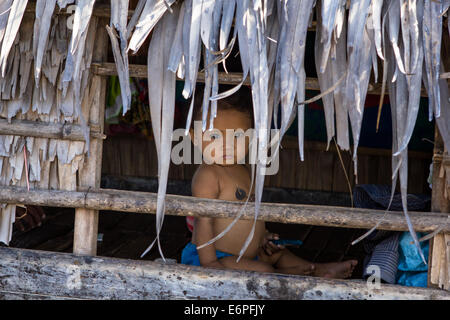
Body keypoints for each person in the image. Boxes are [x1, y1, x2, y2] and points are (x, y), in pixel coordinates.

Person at [181, 88, 357, 278]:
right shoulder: (208, 175)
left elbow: (249, 215)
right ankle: (296, 275)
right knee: (264, 271)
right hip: (216, 257)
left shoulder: (244, 169)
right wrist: (210, 263)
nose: (227, 144)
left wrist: (262, 237)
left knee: (279, 253)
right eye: (215, 136)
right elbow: (203, 222)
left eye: (237, 136)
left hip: (247, 257)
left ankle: (315, 268)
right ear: (195, 137)